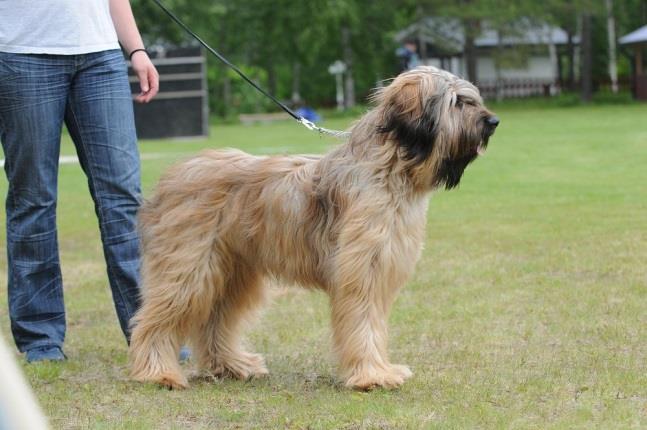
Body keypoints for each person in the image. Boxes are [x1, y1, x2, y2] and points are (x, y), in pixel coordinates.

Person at [0, 0, 159, 362]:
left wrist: (135, 49)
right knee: (33, 198)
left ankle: (150, 329)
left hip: (100, 57)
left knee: (123, 199)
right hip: (22, 54)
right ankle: (41, 337)